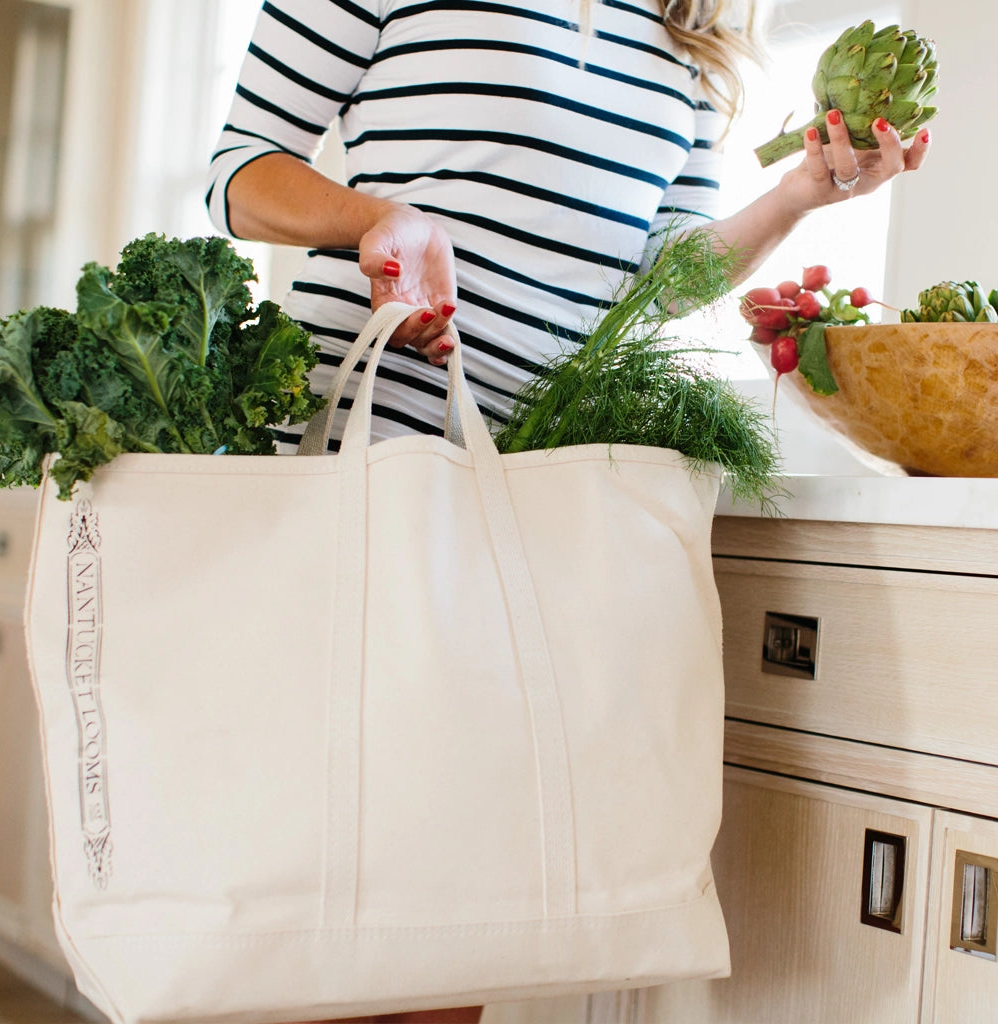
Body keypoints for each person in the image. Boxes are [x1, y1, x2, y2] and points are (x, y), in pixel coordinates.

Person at [206, 1, 930, 1021]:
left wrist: (802, 193)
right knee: (326, 883)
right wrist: (373, 220)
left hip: (529, 495)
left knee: (453, 917)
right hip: (360, 456)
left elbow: (663, 273)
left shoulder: (685, 27)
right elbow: (237, 167)